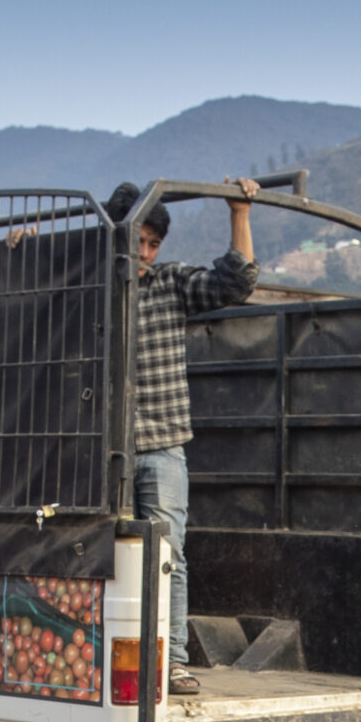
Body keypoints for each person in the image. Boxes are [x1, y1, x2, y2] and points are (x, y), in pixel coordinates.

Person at [109, 177, 259, 695]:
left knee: (167, 555)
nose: (146, 253)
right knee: (103, 553)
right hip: (107, 452)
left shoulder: (169, 283)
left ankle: (171, 660)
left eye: (153, 243)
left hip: (164, 446)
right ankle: (111, 653)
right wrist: (22, 249)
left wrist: (239, 212)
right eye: (138, 241)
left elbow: (234, 282)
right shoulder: (91, 286)